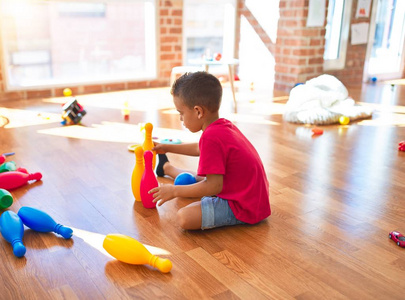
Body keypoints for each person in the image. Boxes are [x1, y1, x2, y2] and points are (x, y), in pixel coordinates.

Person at [149, 71, 271, 230]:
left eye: (181, 113)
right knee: (200, 178)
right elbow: (199, 148)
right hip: (253, 197)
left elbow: (214, 187)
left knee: (184, 217)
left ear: (198, 111)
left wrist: (174, 191)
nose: (181, 119)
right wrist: (166, 147)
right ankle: (167, 168)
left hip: (243, 206)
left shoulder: (211, 137)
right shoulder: (222, 126)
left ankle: (169, 171)